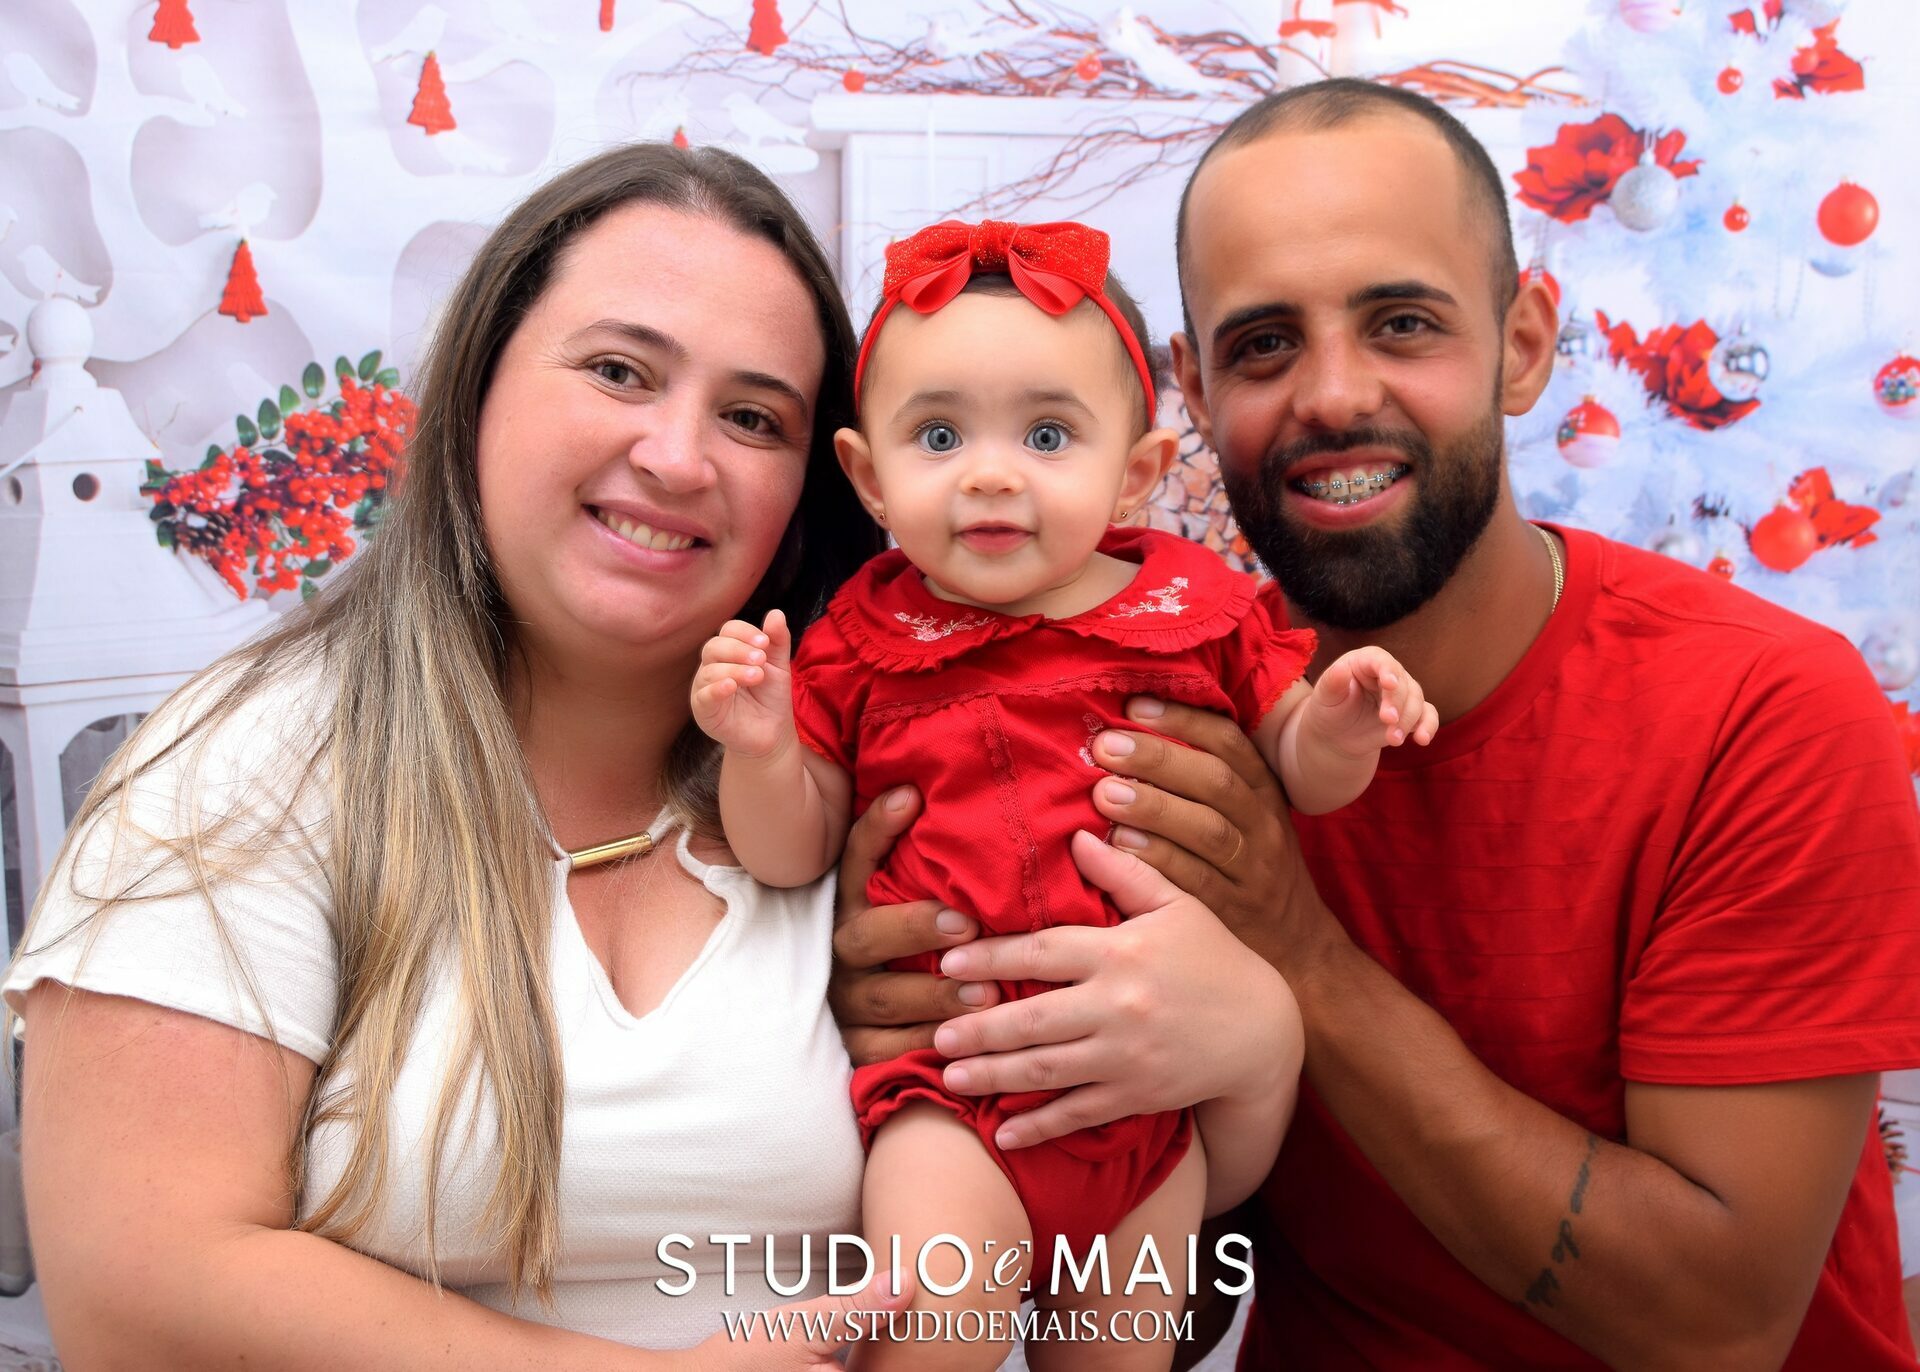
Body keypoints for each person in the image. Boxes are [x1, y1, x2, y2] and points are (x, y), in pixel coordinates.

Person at [830, 79, 1920, 1369]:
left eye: (1403, 323)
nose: (1334, 396)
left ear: (1523, 344)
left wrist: (1298, 956)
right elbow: (1172, 1314)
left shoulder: (1764, 711)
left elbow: (1716, 1327)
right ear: (1192, 393)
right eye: (1264, 345)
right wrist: (969, 1052)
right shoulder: (1159, 717)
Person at [1, 143, 924, 1370]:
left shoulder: (864, 771)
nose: (678, 457)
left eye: (754, 417)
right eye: (619, 370)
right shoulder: (247, 762)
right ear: (477, 388)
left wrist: (1181, 1028)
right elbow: (138, 1297)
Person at [693, 218, 1427, 1368]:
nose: (991, 473)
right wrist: (759, 750)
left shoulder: (1195, 612)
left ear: (1136, 473)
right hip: (952, 1096)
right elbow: (791, 851)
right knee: (936, 1326)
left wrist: (1339, 719)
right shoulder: (860, 643)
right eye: (940, 435)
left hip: (1150, 1108)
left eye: (1047, 434)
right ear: (870, 476)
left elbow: (1304, 772)